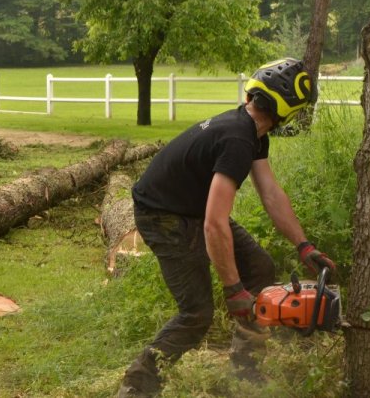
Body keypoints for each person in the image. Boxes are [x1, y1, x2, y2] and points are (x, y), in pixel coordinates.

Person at [117, 58, 337, 397]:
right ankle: (137, 384)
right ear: (290, 109)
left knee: (260, 267)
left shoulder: (251, 133)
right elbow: (214, 224)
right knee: (197, 313)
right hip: (163, 215)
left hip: (190, 207)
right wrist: (234, 289)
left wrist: (303, 245)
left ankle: (245, 371)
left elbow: (271, 194)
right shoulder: (237, 139)